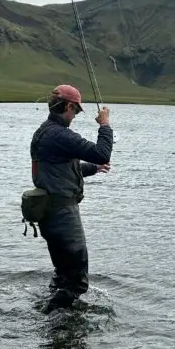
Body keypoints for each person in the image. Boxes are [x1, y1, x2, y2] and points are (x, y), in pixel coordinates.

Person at [30, 84, 114, 312]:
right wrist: (105, 124)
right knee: (76, 280)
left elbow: (63, 167)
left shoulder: (44, 132)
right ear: (68, 106)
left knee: (62, 275)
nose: (74, 116)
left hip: (49, 215)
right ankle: (55, 322)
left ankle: (51, 321)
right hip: (63, 216)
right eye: (75, 111)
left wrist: (94, 169)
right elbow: (102, 152)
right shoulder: (59, 134)